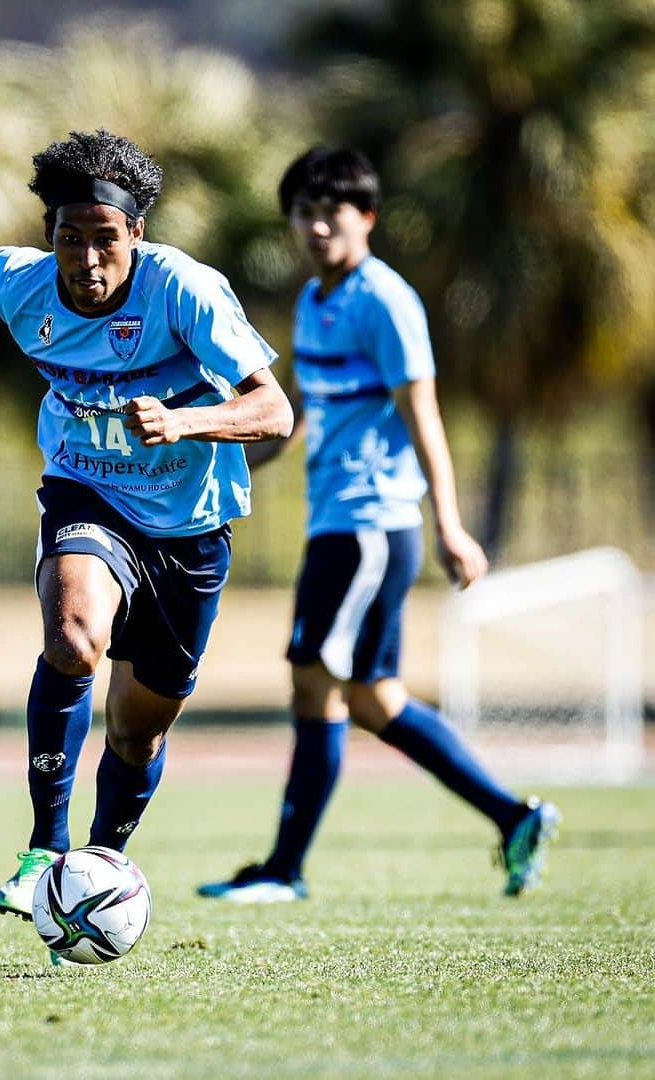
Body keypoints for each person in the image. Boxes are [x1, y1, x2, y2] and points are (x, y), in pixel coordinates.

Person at [0, 129, 294, 920]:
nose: (86, 262)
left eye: (103, 241)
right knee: (72, 635)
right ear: (49, 237)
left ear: (137, 236)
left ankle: (99, 867)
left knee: (135, 733)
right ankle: (44, 851)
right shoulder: (22, 284)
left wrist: (187, 424)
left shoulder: (183, 291)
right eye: (68, 240)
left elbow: (275, 410)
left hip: (190, 528)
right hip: (85, 491)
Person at [197, 147, 559, 902]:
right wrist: (228, 462)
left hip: (370, 523)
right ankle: (513, 816)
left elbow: (422, 415)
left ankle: (283, 871)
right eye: (304, 211)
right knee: (372, 699)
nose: (317, 224)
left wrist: (451, 527)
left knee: (312, 684)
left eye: (333, 211)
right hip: (343, 521)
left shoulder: (387, 302)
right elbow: (292, 416)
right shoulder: (313, 301)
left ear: (367, 217)